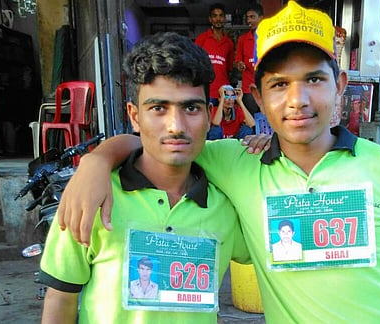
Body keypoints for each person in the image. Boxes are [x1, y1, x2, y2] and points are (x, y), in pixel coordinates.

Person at [56, 2, 380, 323]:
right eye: (279, 85)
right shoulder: (238, 162)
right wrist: (97, 161)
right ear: (256, 95)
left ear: (339, 84)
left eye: (314, 80)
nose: (298, 100)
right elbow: (159, 141)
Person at [39, 32, 250, 323]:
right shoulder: (93, 197)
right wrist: (96, 160)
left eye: (191, 108)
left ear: (208, 114)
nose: (176, 126)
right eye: (158, 108)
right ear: (135, 116)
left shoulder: (226, 206)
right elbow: (60, 299)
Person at [195, 3, 234, 106]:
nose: (218, 19)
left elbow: (229, 68)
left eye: (221, 16)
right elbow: (194, 62)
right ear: (210, 19)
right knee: (208, 121)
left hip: (224, 92)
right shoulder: (201, 38)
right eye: (215, 16)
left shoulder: (229, 43)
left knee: (225, 121)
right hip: (207, 90)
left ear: (225, 18)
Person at [234, 3, 263, 115]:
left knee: (267, 122)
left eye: (252, 17)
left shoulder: (268, 38)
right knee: (250, 121)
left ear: (261, 18)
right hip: (248, 89)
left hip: (264, 88)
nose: (249, 20)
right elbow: (237, 61)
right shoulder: (242, 39)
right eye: (247, 17)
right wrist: (239, 64)